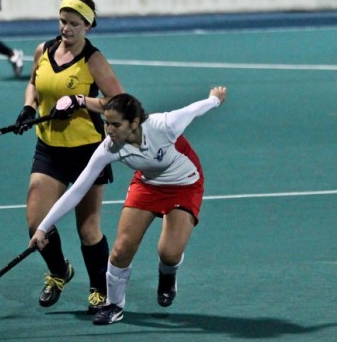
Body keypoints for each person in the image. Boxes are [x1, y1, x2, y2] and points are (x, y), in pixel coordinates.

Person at [29, 86, 227, 325]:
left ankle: (167, 275)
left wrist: (214, 99)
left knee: (169, 253)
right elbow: (77, 190)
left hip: (185, 184)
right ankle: (114, 305)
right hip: (147, 185)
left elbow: (194, 110)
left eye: (115, 124)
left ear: (134, 122)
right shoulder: (109, 147)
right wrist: (43, 227)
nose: (109, 130)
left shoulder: (164, 125)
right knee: (121, 249)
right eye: (106, 123)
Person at [14, 0, 125, 313]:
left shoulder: (93, 60)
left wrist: (80, 102)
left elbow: (118, 101)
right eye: (63, 21)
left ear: (88, 26)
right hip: (49, 149)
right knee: (37, 223)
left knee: (88, 229)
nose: (67, 28)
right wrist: (28, 106)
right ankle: (59, 271)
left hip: (88, 153)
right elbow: (33, 83)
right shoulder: (44, 50)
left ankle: (99, 288)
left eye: (75, 24)